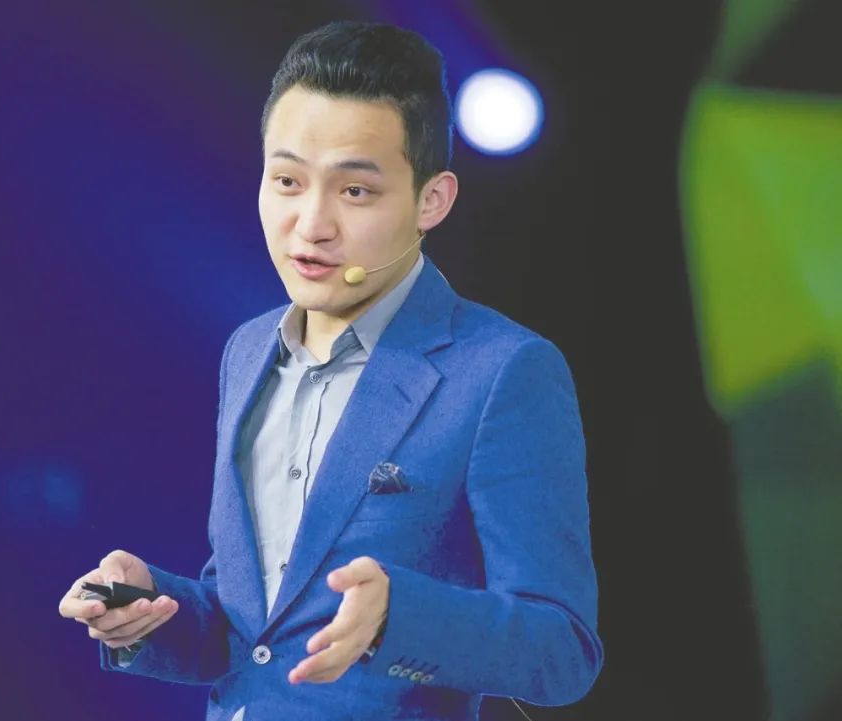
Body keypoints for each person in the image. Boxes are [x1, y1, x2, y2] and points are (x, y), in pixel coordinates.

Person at [58, 20, 602, 721]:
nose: (310, 223)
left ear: (431, 200)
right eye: (287, 180)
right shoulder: (249, 350)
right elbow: (254, 634)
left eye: (355, 192)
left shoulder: (502, 371)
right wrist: (150, 611)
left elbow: (562, 650)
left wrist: (397, 618)